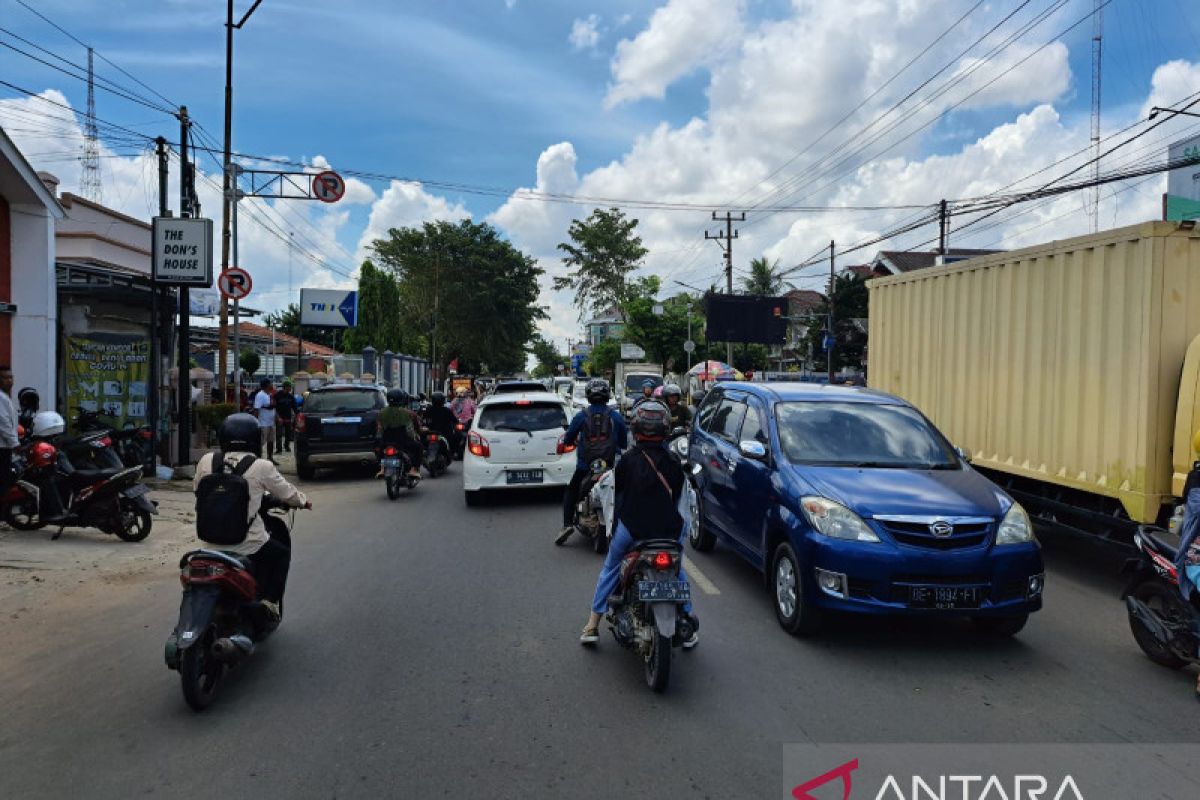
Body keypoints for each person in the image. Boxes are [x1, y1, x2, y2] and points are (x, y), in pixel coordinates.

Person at [579, 400, 698, 647]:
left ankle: (592, 624)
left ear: (636, 428)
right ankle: (687, 617)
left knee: (611, 567)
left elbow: (616, 494)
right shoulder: (674, 462)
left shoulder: (627, 461)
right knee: (678, 570)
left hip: (632, 530)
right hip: (668, 532)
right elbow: (679, 498)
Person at [193, 414, 310, 627]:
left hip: (209, 545)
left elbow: (197, 490)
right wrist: (303, 501)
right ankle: (270, 601)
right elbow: (287, 494)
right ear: (255, 439)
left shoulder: (206, 460)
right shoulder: (261, 466)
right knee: (280, 555)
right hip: (248, 544)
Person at [556, 378, 627, 545]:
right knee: (622, 491)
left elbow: (568, 439)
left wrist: (571, 442)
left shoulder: (581, 416)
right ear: (607, 396)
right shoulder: (616, 417)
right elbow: (623, 443)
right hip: (609, 466)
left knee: (571, 490)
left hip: (585, 466)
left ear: (588, 396)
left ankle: (566, 525)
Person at [377, 388, 423, 479]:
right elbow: (414, 429)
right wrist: (417, 436)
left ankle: (382, 468)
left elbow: (379, 429)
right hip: (404, 442)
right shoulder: (409, 413)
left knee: (378, 448)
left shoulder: (381, 413)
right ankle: (414, 469)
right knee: (419, 447)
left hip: (386, 441)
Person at [0, 367, 18, 502]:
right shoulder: (1, 398)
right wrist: (15, 443)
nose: (9, 380)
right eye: (5, 378)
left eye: (11, 377)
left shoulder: (5, 397)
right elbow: (3, 423)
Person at [252, 378, 277, 463]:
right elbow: (256, 409)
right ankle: (257, 458)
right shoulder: (260, 395)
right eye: (270, 383)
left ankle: (270, 457)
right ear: (267, 385)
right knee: (261, 442)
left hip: (271, 422)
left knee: (271, 441)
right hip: (263, 423)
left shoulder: (270, 394)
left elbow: (274, 407)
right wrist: (255, 422)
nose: (272, 385)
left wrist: (277, 417)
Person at [274, 379, 297, 453]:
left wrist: (297, 415)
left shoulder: (291, 397)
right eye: (289, 387)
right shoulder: (277, 395)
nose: (290, 389)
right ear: (285, 387)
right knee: (279, 434)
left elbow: (294, 408)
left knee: (288, 434)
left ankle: (287, 446)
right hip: (279, 418)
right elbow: (274, 408)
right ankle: (279, 449)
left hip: (288, 418)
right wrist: (278, 417)